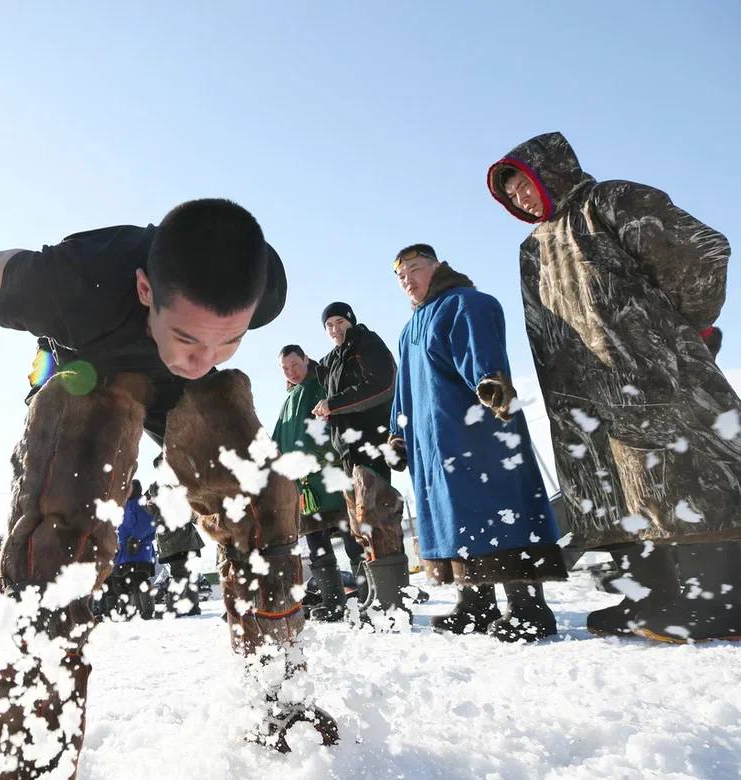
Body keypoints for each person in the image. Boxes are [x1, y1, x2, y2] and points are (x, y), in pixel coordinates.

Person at [0, 199, 336, 775]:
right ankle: (31, 754)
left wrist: (202, 355)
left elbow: (203, 353)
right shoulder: (71, 282)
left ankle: (277, 701)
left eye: (229, 340)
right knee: (58, 546)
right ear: (143, 290)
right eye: (189, 336)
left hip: (184, 396)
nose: (204, 356)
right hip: (92, 369)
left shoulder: (258, 279)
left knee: (265, 507)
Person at [488, 132, 741, 642]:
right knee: (614, 491)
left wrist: (679, 331)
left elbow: (702, 251)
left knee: (683, 478)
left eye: (525, 185)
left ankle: (720, 604)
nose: (521, 199)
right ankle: (649, 598)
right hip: (581, 395)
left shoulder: (610, 201)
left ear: (549, 171)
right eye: (512, 195)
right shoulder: (532, 247)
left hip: (653, 373)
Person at [389, 244, 567, 641]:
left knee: (497, 510)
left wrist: (491, 381)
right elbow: (404, 389)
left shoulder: (467, 303)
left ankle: (528, 609)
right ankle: (475, 603)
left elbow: (481, 351)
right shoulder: (408, 330)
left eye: (415, 270)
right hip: (433, 445)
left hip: (476, 431)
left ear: (437, 267)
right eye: (401, 278)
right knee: (456, 519)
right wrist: (397, 433)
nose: (408, 281)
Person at [314, 302, 410, 622]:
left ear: (351, 321)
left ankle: (393, 599)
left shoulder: (366, 343)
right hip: (346, 452)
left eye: (340, 321)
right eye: (329, 325)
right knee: (359, 527)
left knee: (377, 516)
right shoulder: (330, 361)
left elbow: (381, 386)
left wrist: (334, 404)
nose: (335, 329)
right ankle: (374, 592)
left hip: (371, 443)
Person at [271, 344, 360, 622]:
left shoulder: (322, 386)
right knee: (317, 546)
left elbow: (335, 425)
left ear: (306, 360)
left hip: (329, 477)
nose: (292, 372)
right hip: (303, 485)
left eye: (295, 365)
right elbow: (277, 440)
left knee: (352, 539)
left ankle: (369, 598)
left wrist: (322, 455)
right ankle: (334, 602)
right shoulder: (288, 401)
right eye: (285, 369)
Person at [147, 482, 205, 617]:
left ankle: (173, 608)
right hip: (188, 542)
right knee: (188, 575)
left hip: (176, 546)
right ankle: (193, 606)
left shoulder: (159, 506)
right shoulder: (177, 501)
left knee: (178, 575)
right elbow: (193, 516)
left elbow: (160, 525)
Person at [108, 481, 157, 620]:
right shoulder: (123, 504)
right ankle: (130, 612)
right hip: (123, 552)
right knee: (120, 582)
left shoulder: (139, 503)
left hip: (138, 550)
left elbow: (147, 523)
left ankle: (146, 612)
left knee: (139, 580)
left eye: (128, 488)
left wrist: (136, 538)